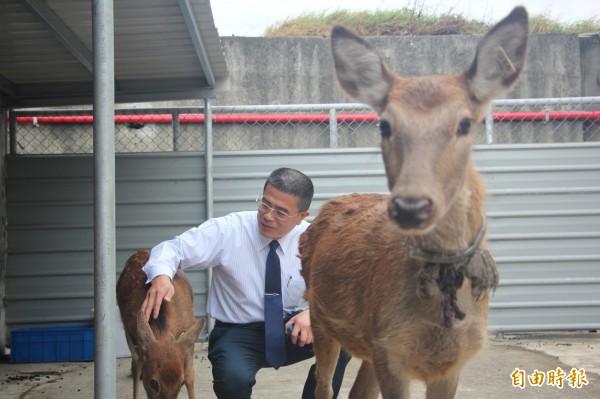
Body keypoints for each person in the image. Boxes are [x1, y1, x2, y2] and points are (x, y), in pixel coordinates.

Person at [140, 167, 351, 399]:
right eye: (265, 204)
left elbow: (345, 290)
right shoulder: (229, 230)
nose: (268, 215)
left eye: (281, 212)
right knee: (232, 381)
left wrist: (314, 313)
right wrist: (161, 276)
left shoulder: (315, 239)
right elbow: (172, 249)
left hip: (287, 327)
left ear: (301, 216)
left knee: (343, 337)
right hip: (236, 332)